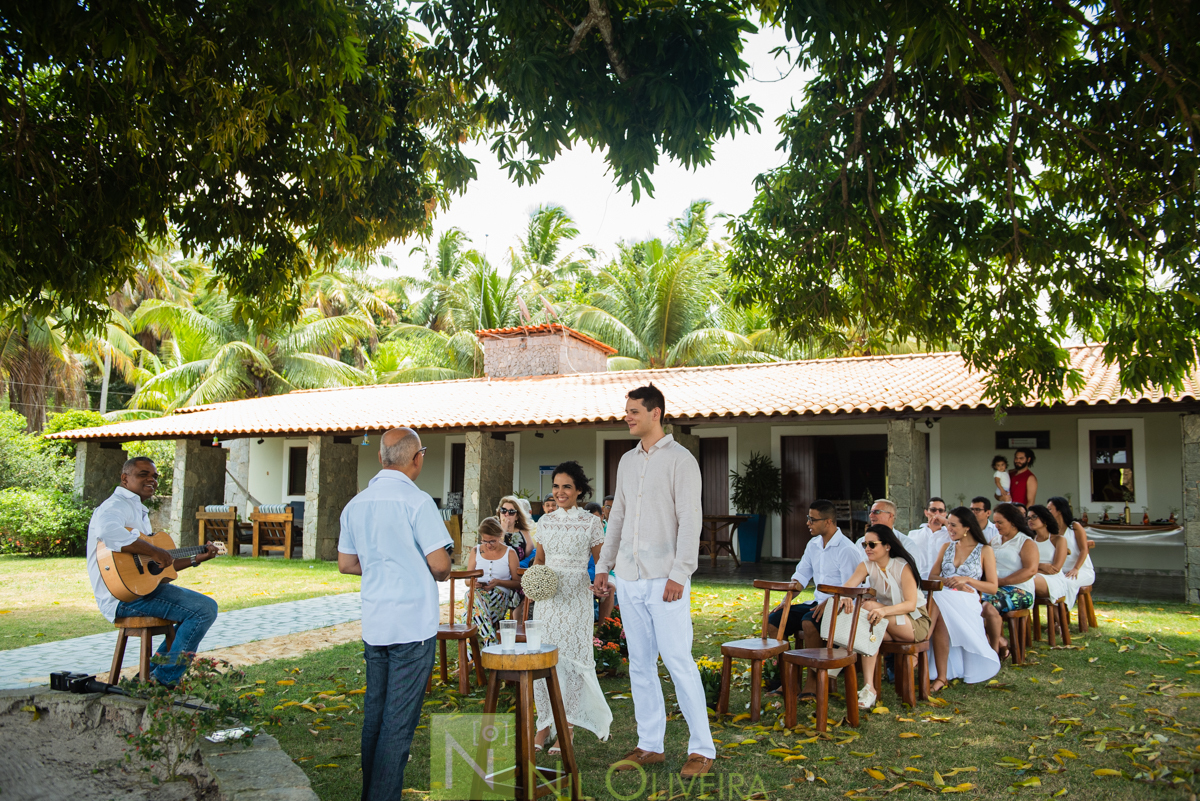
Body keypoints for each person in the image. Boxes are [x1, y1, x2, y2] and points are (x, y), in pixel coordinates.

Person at [594, 383, 715, 779]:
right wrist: (603, 567)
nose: (626, 416)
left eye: (633, 411)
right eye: (626, 411)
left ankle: (702, 748)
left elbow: (690, 520)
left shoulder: (682, 461)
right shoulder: (627, 462)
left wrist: (680, 573)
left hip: (667, 579)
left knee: (678, 661)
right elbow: (617, 518)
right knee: (640, 666)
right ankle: (650, 744)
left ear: (655, 413)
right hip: (628, 578)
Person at [337, 428, 452, 801]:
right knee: (398, 722)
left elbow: (346, 564)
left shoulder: (356, 504)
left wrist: (382, 565)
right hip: (412, 624)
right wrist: (415, 564)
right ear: (417, 458)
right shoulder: (417, 502)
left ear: (381, 458)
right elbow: (440, 565)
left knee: (376, 716)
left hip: (376, 620)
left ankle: (371, 792)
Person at [87, 457, 220, 687]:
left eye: (155, 476)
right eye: (143, 474)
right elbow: (109, 533)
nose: (152, 480)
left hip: (143, 591)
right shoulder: (115, 505)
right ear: (125, 478)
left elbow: (159, 568)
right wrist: (153, 549)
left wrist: (195, 559)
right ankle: (163, 681)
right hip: (123, 597)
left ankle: (149, 676)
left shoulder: (138, 510)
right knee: (203, 610)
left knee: (197, 612)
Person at [531, 461, 613, 756]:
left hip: (577, 595)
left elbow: (601, 562)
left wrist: (600, 584)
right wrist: (534, 584)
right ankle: (543, 724)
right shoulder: (545, 522)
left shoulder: (591, 523)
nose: (560, 492)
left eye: (567, 486)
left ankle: (567, 726)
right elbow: (539, 561)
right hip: (548, 600)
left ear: (579, 490)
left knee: (575, 660)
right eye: (556, 486)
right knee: (543, 660)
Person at [764, 499, 866, 696]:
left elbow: (852, 589)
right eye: (808, 518)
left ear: (828, 522)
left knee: (809, 623)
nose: (808, 523)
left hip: (839, 608)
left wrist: (831, 602)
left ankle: (813, 684)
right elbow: (801, 576)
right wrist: (787, 600)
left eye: (812, 519)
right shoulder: (813, 545)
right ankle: (787, 681)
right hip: (816, 603)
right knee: (774, 621)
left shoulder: (847, 549)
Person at [836, 524, 931, 710]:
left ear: (887, 546)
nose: (867, 549)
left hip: (914, 622)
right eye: (864, 545)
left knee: (868, 607)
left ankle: (839, 661)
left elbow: (911, 604)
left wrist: (882, 610)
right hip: (887, 623)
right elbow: (848, 588)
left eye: (872, 544)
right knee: (868, 631)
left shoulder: (902, 566)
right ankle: (869, 687)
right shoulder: (866, 565)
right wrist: (846, 596)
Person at [927, 507, 1000, 690]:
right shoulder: (946, 547)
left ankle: (921, 642)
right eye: (948, 524)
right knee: (941, 604)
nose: (948, 528)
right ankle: (942, 676)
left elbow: (992, 587)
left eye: (953, 525)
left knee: (938, 601)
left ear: (967, 527)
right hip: (945, 595)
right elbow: (932, 576)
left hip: (968, 599)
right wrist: (952, 582)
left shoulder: (985, 550)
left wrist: (966, 580)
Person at [980, 503, 1039, 660]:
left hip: (1019, 590)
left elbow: (1030, 570)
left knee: (988, 604)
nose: (996, 525)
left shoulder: (1025, 542)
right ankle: (1000, 641)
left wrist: (1002, 582)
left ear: (1012, 522)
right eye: (995, 522)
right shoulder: (994, 541)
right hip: (993, 587)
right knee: (971, 602)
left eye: (1000, 522)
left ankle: (992, 652)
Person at [464, 516, 522, 646]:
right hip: (479, 595)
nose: (488, 545)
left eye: (492, 541)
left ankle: (470, 661)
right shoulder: (476, 550)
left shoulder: (510, 553)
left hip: (498, 598)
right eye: (485, 541)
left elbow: (518, 583)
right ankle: (491, 642)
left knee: (469, 617)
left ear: (500, 535)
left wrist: (499, 582)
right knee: (472, 596)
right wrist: (474, 583)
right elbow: (467, 580)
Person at [1027, 504, 1077, 613]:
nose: (1030, 520)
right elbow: (1023, 565)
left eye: (1034, 517)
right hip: (1033, 573)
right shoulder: (1028, 540)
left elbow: (1055, 568)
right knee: (1022, 577)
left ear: (1044, 519)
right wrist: (1041, 566)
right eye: (1028, 518)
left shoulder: (1059, 540)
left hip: (1053, 578)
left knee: (1026, 578)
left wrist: (1031, 569)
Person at [1046, 496, 1096, 594]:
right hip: (1059, 571)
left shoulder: (1074, 526)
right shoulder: (1050, 530)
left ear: (1059, 511)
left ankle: (1064, 608)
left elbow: (1084, 550)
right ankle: (1057, 608)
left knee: (1067, 583)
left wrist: (1076, 569)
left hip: (1081, 570)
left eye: (1050, 509)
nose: (1047, 512)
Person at [869, 498, 928, 578]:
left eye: (876, 512)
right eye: (871, 512)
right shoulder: (861, 542)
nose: (871, 515)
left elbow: (912, 574)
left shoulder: (907, 544)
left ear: (890, 515)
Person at [907, 497, 952, 579]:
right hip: (919, 582)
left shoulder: (950, 535)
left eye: (940, 511)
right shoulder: (913, 534)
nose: (937, 513)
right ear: (926, 512)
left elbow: (959, 532)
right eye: (933, 510)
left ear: (945, 514)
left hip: (943, 583)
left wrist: (945, 521)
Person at [497, 495, 536, 563]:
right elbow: (496, 550)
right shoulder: (493, 529)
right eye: (503, 510)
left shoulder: (523, 532)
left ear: (517, 516)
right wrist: (503, 530)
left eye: (511, 512)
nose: (506, 514)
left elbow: (529, 555)